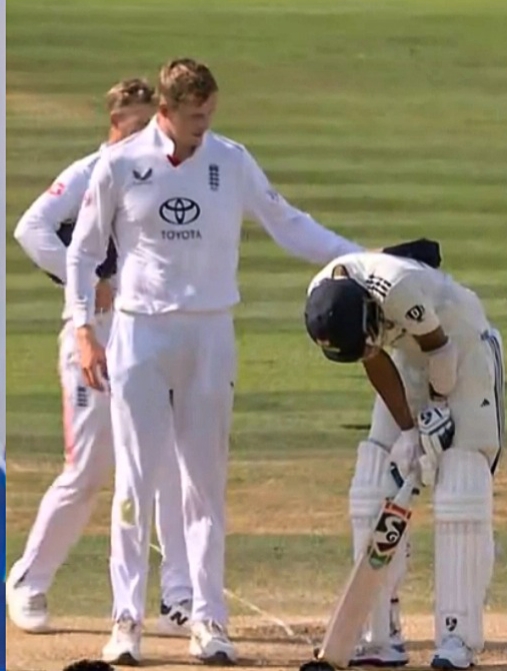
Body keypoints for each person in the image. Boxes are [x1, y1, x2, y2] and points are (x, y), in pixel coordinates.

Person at [65, 57, 444, 666]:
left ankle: (210, 621)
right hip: (140, 333)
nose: (203, 127)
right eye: (194, 117)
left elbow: (288, 224)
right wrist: (84, 329)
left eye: (210, 115)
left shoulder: (230, 161)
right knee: (135, 482)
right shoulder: (121, 164)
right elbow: (83, 253)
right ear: (165, 111)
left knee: (205, 485)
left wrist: (364, 260)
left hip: (210, 332)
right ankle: (125, 622)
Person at [9, 78, 193, 637]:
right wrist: (90, 281)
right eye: (136, 125)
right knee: (88, 471)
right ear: (115, 124)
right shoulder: (90, 170)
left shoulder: (161, 171)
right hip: (93, 335)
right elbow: (30, 228)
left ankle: (179, 597)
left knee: (169, 465)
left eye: (152, 124)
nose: (146, 134)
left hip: (151, 334)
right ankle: (28, 582)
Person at [304, 251, 505, 670]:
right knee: (371, 485)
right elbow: (373, 357)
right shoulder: (325, 300)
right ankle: (380, 635)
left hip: (463, 351)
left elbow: (441, 350)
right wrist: (410, 431)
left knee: (461, 484)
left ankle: (457, 637)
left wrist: (437, 410)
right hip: (410, 361)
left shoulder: (397, 288)